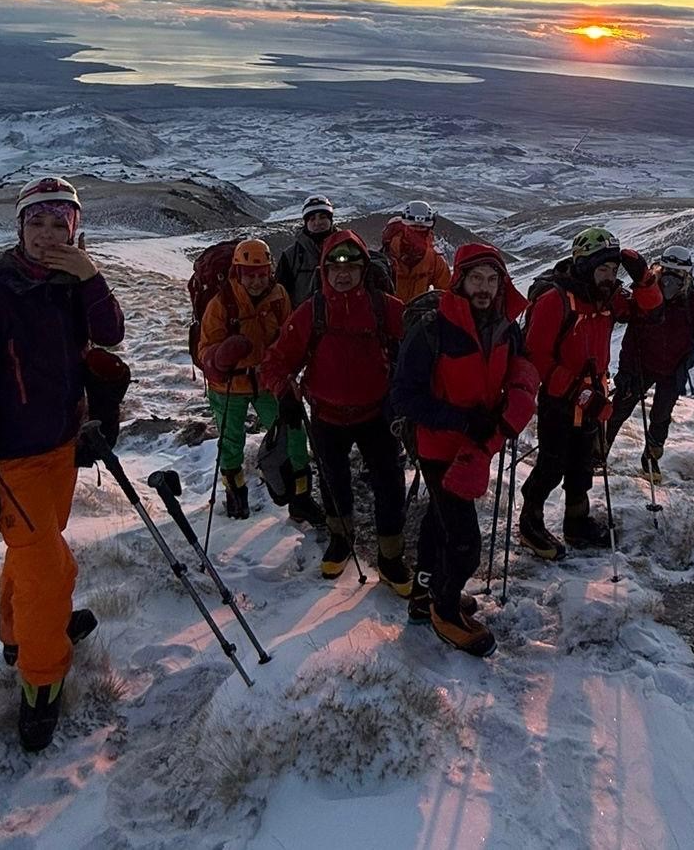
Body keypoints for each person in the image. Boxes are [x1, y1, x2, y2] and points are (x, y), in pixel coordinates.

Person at [0, 175, 125, 751]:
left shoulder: (68, 283)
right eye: (36, 223)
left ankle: (18, 637)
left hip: (61, 445)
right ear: (19, 227)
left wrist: (90, 276)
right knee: (49, 570)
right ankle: (41, 687)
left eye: (59, 224)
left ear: (75, 228)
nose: (47, 235)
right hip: (11, 458)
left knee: (37, 548)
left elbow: (110, 334)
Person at [391, 244, 538, 655]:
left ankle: (427, 594)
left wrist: (514, 400)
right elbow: (404, 397)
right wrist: (461, 419)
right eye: (477, 279)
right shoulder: (434, 329)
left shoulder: (505, 327)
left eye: (493, 280)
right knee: (464, 542)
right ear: (459, 280)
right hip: (440, 449)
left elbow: (521, 363)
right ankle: (445, 608)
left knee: (439, 524)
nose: (485, 288)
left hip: (477, 446)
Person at [260, 231, 409, 590]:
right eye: (335, 267)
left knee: (389, 484)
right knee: (333, 482)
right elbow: (276, 360)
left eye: (352, 267)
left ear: (363, 270)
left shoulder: (383, 306)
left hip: (378, 415)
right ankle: (341, 540)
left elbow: (417, 342)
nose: (343, 275)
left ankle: (391, 556)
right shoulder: (312, 311)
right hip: (326, 416)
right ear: (324, 270)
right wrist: (284, 391)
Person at [517, 227, 662, 560]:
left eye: (613, 270)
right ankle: (530, 523)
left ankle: (576, 521)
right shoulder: (556, 300)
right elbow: (535, 355)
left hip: (594, 395)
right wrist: (575, 391)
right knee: (552, 464)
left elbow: (649, 313)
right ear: (583, 266)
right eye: (602, 269)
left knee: (583, 463)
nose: (610, 277)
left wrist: (643, 278)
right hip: (560, 399)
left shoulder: (608, 298)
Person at [196, 239, 322, 524]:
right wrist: (220, 357)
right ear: (237, 273)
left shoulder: (278, 296)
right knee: (231, 441)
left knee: (293, 432)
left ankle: (301, 496)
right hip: (228, 385)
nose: (256, 280)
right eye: (250, 275)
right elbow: (204, 350)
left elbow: (288, 337)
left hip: (267, 381)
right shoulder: (221, 303)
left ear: (270, 272)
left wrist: (288, 370)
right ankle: (235, 492)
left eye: (262, 273)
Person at [606, 245, 694, 483]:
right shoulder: (648, 295)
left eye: (677, 273)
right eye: (667, 271)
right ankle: (599, 453)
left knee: (660, 416)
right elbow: (629, 334)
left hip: (672, 369)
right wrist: (625, 371)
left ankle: (650, 458)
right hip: (641, 365)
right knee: (620, 409)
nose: (670, 279)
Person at [273, 194, 338, 304]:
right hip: (303, 318)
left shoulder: (345, 248)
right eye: (312, 219)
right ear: (306, 223)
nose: (318, 223)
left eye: (322, 217)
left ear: (330, 220)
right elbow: (280, 295)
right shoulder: (291, 256)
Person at [382, 200, 452, 301]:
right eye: (414, 227)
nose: (418, 231)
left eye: (422, 227)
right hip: (388, 312)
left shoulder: (434, 260)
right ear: (405, 227)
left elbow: (447, 294)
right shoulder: (388, 254)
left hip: (417, 313)